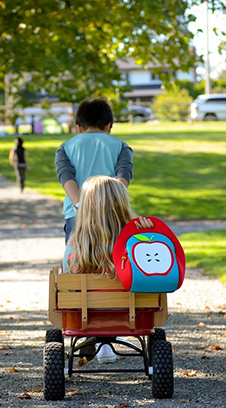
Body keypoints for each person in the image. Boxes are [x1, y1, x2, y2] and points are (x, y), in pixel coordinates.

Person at [63, 175, 153, 363]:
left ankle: (95, 338)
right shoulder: (135, 240)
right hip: (128, 311)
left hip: (87, 312)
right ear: (122, 204)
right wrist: (147, 233)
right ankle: (104, 343)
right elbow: (151, 267)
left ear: (86, 207)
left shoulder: (77, 241)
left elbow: (69, 278)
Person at [55, 98, 133, 243]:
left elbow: (66, 178)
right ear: (108, 125)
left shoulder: (65, 148)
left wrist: (80, 205)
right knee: (112, 260)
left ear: (79, 127)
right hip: (111, 214)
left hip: (76, 214)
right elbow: (123, 178)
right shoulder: (122, 147)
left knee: (77, 261)